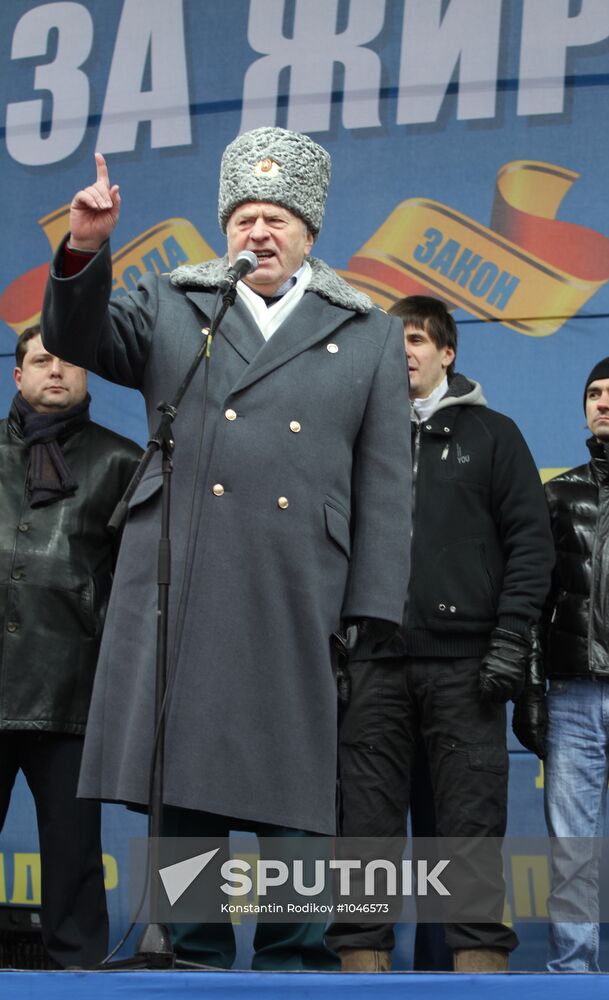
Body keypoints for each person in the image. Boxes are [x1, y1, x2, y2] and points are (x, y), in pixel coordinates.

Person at [41, 128, 412, 970]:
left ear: (311, 233)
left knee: (292, 769)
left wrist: (372, 606)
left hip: (296, 577)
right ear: (225, 229)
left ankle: (294, 950)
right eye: (245, 215)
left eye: (278, 217)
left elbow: (387, 484)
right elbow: (77, 336)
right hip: (184, 568)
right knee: (189, 762)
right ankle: (197, 949)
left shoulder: (368, 332)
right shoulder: (175, 301)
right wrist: (85, 249)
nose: (260, 232)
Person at [326, 295, 555, 972]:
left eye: (419, 339)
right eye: (393, 339)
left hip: (468, 668)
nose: (405, 351)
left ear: (447, 353)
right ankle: (361, 977)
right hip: (372, 661)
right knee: (363, 833)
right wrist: (331, 639)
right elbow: (321, 543)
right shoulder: (355, 436)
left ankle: (479, 979)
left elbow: (531, 546)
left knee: (469, 834)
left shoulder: (495, 435)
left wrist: (511, 641)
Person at [0, 325, 141, 968]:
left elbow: (136, 585)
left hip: (74, 688)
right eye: (40, 359)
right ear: (17, 375)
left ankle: (77, 979)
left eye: (68, 360)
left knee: (75, 857)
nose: (55, 370)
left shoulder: (122, 461)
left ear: (88, 375)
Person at [535, 355, 609, 972]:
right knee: (570, 852)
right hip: (571, 693)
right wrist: (530, 685)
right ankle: (570, 975)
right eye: (594, 392)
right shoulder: (558, 493)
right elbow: (530, 597)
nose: (602, 401)